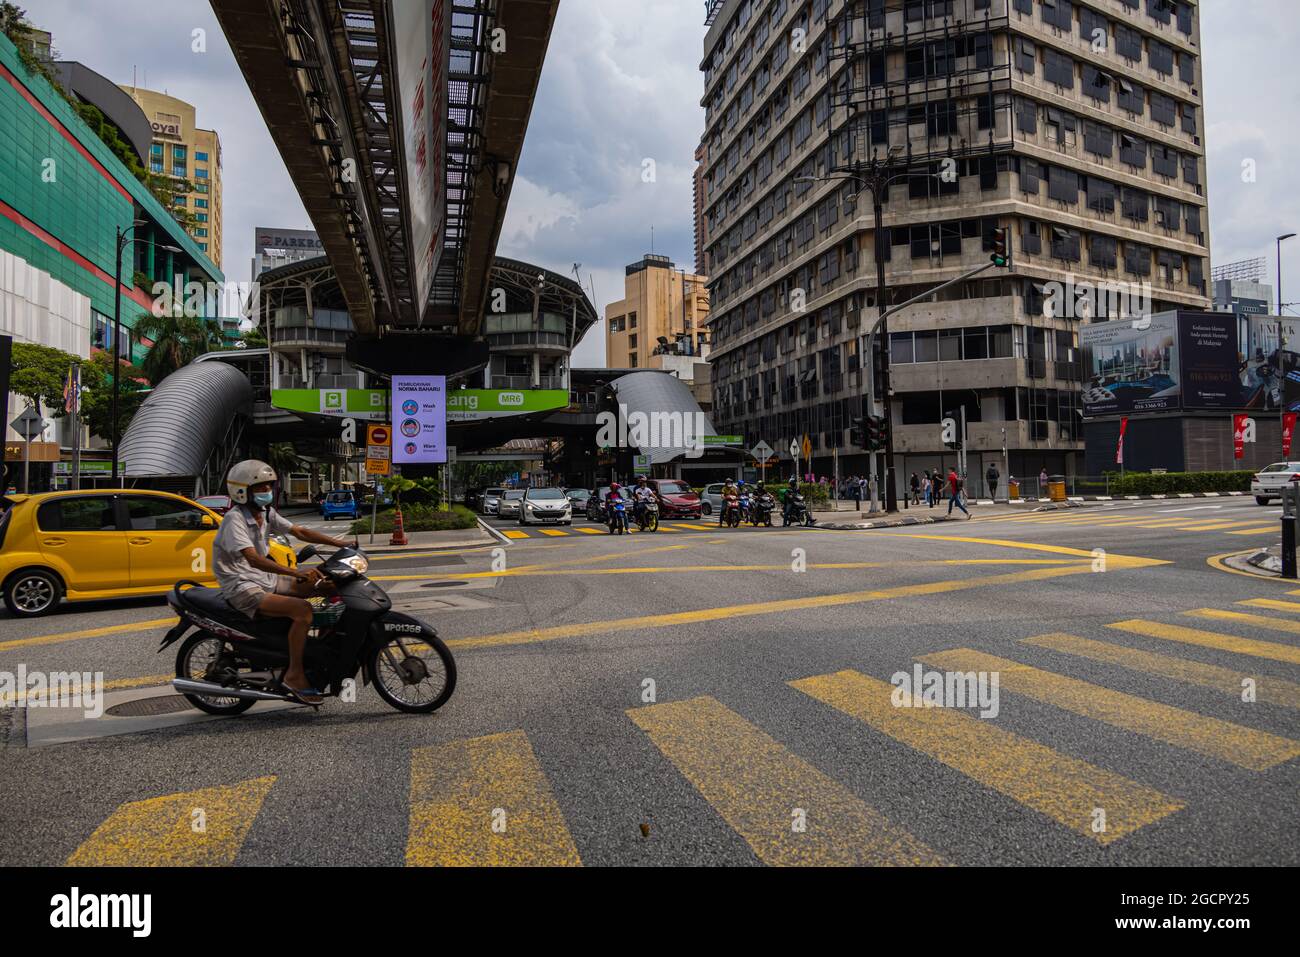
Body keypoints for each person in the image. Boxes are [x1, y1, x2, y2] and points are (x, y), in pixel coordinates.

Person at [214, 460, 357, 705]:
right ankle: (294, 673)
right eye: (261, 487)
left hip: (263, 579)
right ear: (242, 491)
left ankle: (320, 650)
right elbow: (253, 559)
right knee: (302, 610)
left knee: (328, 584)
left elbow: (300, 532)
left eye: (269, 486)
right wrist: (295, 574)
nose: (267, 491)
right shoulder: (234, 520)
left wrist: (341, 544)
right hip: (242, 586)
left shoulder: (265, 513)